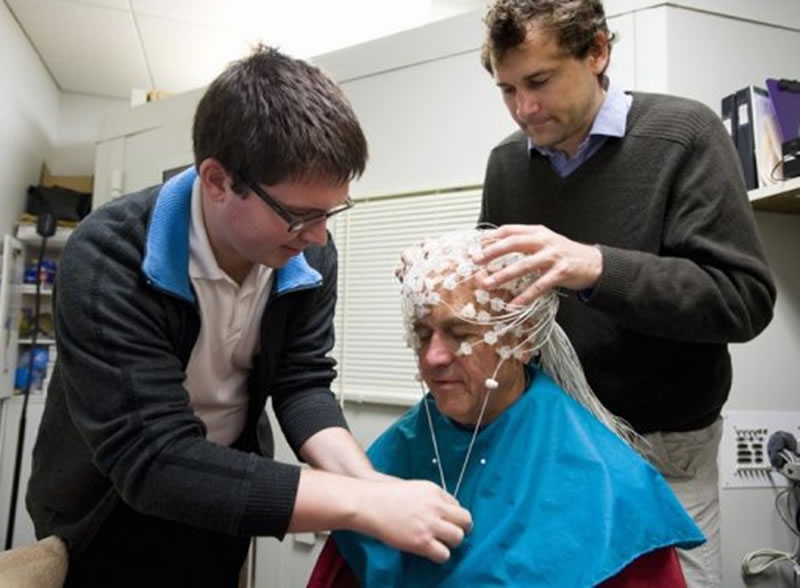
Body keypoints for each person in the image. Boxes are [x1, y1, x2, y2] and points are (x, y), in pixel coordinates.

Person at [25, 45, 471, 587]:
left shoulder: (306, 252)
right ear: (217, 181)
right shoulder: (108, 256)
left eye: (330, 211)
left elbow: (301, 383)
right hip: (104, 513)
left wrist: (376, 490)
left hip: (226, 500)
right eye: (299, 215)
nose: (319, 236)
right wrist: (357, 502)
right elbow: (153, 457)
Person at [475, 1, 777, 586]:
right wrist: (446, 276)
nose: (523, 109)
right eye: (506, 89)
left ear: (596, 52)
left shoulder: (685, 136)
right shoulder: (506, 164)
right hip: (551, 441)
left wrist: (596, 267)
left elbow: (742, 299)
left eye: (538, 81)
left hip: (666, 452)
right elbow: (504, 298)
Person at [308, 229, 705, 587]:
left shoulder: (608, 480)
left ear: (523, 339)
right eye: (422, 332)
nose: (433, 357)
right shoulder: (400, 451)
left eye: (460, 332)